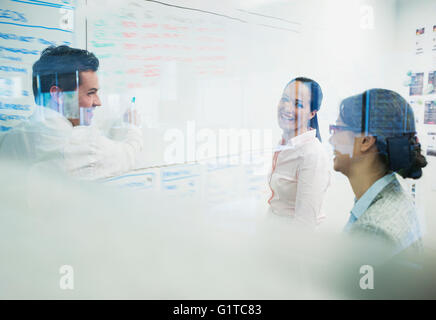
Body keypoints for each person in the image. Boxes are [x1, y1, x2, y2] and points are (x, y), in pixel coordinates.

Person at [0, 45, 143, 180]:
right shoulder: (79, 143)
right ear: (58, 95)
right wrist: (132, 126)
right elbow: (129, 155)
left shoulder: (11, 136)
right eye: (90, 93)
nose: (98, 102)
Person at [329, 88, 427, 252]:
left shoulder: (372, 231)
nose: (331, 139)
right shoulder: (393, 196)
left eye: (336, 130)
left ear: (365, 141)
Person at [268, 77, 331, 226]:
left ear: (312, 113)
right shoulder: (284, 144)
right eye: (285, 99)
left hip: (292, 243)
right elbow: (278, 205)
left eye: (298, 104)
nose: (287, 108)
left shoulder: (312, 154)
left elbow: (305, 224)